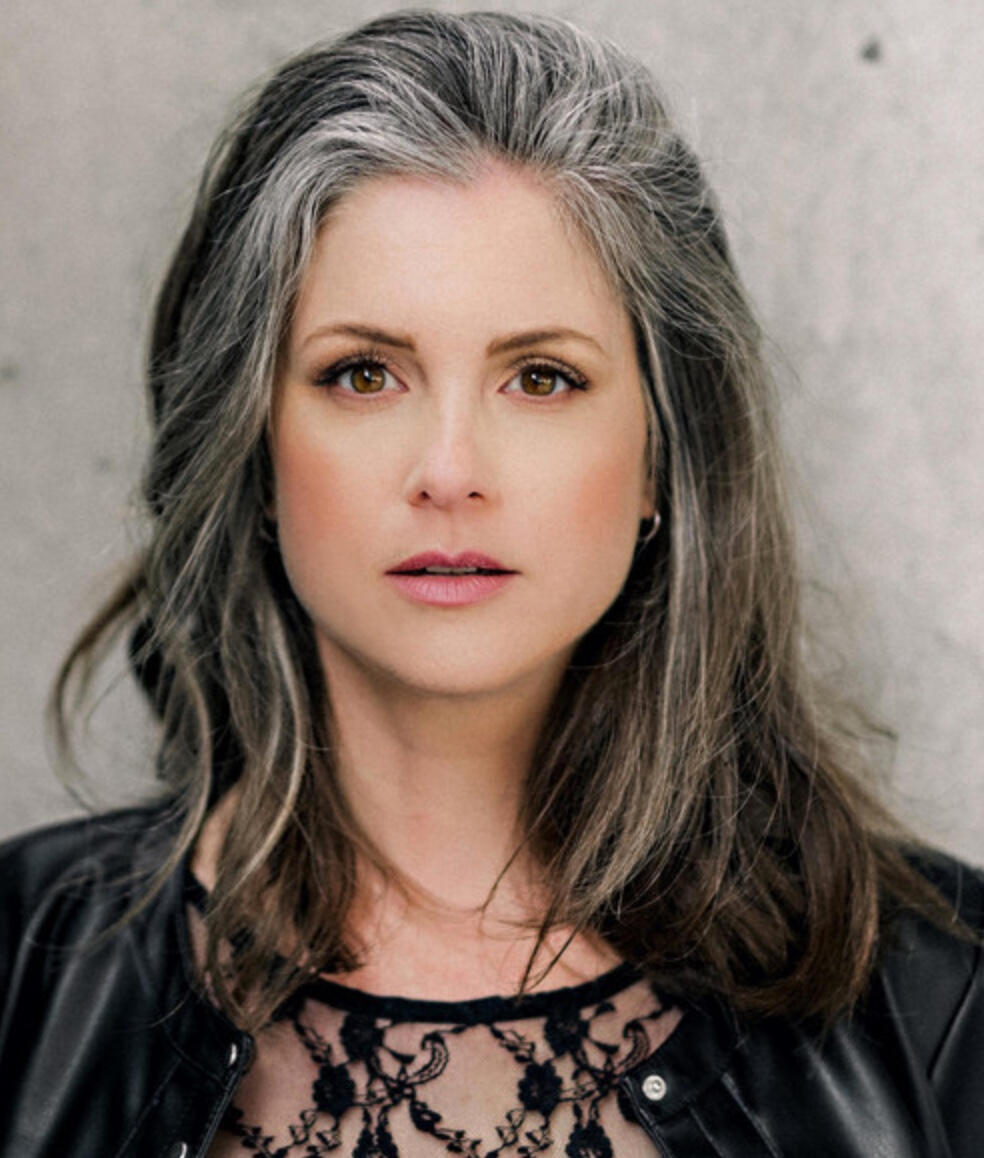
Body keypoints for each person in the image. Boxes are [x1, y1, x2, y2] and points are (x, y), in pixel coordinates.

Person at [0, 9, 981, 1157]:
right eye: (363, 374)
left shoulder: (945, 1004)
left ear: (664, 456)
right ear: (253, 448)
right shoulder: (21, 967)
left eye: (543, 378)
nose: (450, 470)